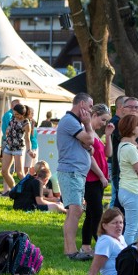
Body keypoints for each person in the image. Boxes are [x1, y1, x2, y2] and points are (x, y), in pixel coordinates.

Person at [56, 93, 95, 260]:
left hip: (76, 172)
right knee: (76, 210)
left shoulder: (74, 123)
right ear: (81, 105)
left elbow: (89, 146)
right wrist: (88, 124)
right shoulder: (70, 121)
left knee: (74, 211)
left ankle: (68, 249)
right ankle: (71, 251)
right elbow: (90, 140)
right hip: (71, 171)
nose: (91, 110)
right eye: (90, 106)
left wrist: (87, 141)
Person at [81, 103, 113, 256]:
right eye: (103, 120)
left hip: (98, 180)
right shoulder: (86, 133)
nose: (104, 123)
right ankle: (101, 246)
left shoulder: (95, 134)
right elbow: (89, 158)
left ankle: (86, 246)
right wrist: (100, 175)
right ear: (94, 116)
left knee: (91, 214)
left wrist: (107, 135)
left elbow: (108, 154)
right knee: (98, 214)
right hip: (91, 179)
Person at [116, 114, 138, 245]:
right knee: (131, 229)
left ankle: (136, 254)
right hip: (132, 191)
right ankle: (126, 256)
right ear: (132, 128)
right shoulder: (130, 148)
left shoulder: (124, 145)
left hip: (129, 190)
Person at [83, 208, 126, 275]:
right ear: (104, 225)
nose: (119, 226)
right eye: (114, 223)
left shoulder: (120, 237)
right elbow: (94, 269)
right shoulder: (106, 241)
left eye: (121, 222)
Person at [0, 104, 30, 195]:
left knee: (19, 173)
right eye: (14, 114)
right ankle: (14, 190)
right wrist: (8, 131)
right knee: (4, 171)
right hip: (9, 146)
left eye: (17, 114)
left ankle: (28, 192)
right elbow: (9, 127)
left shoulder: (26, 123)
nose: (15, 116)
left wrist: (29, 150)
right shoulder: (13, 118)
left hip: (19, 148)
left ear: (22, 114)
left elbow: (27, 139)